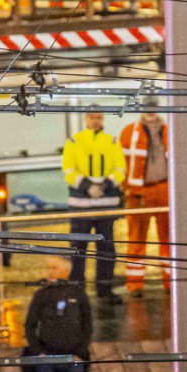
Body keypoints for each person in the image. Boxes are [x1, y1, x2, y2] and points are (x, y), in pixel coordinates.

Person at [23, 255, 95, 372]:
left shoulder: (78, 294)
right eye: (49, 268)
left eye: (54, 268)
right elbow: (30, 326)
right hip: (47, 362)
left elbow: (87, 325)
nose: (50, 272)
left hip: (73, 362)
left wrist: (79, 353)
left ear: (65, 271)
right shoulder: (42, 294)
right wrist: (39, 353)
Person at [61, 109, 125, 299]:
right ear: (86, 119)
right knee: (78, 250)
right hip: (81, 207)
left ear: (102, 118)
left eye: (98, 117)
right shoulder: (74, 141)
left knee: (106, 250)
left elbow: (120, 168)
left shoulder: (112, 141)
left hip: (105, 207)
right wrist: (88, 186)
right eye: (91, 117)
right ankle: (76, 290)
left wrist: (104, 185)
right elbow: (68, 169)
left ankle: (104, 290)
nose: (95, 121)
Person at [117, 99, 171, 295]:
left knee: (169, 239)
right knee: (136, 239)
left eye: (153, 107)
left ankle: (171, 281)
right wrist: (127, 189)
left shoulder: (170, 130)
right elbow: (119, 164)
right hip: (138, 194)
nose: (150, 111)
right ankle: (135, 284)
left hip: (164, 189)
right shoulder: (128, 132)